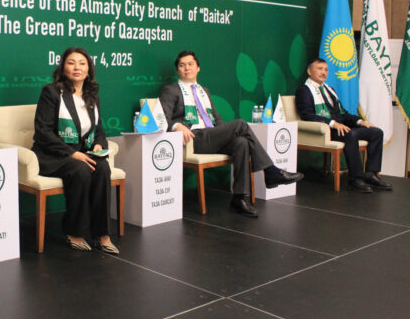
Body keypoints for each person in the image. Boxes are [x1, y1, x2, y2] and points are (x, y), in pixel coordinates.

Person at [159, 50, 303, 218]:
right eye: (182, 65)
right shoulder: (171, 90)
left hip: (211, 135)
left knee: (241, 142)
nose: (186, 68)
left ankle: (239, 198)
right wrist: (177, 126)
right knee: (240, 124)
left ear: (198, 68)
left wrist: (226, 133)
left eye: (190, 64)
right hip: (193, 139)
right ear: (178, 70)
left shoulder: (203, 90)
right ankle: (270, 171)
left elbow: (216, 119)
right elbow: (162, 119)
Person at [31, 47, 118, 254]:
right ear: (63, 67)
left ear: (88, 69)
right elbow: (43, 132)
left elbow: (99, 130)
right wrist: (71, 153)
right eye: (71, 62)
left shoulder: (92, 95)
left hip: (82, 152)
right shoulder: (51, 92)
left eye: (82, 63)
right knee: (80, 169)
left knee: (103, 168)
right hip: (53, 155)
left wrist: (99, 145)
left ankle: (102, 234)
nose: (77, 67)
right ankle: (75, 232)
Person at [295, 58, 392, 192]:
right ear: (309, 71)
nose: (324, 72)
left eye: (326, 69)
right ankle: (355, 178)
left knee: (376, 132)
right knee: (351, 134)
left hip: (342, 128)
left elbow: (343, 114)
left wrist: (360, 121)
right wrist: (333, 124)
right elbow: (307, 115)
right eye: (320, 69)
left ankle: (371, 174)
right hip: (327, 130)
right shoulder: (304, 91)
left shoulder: (329, 90)